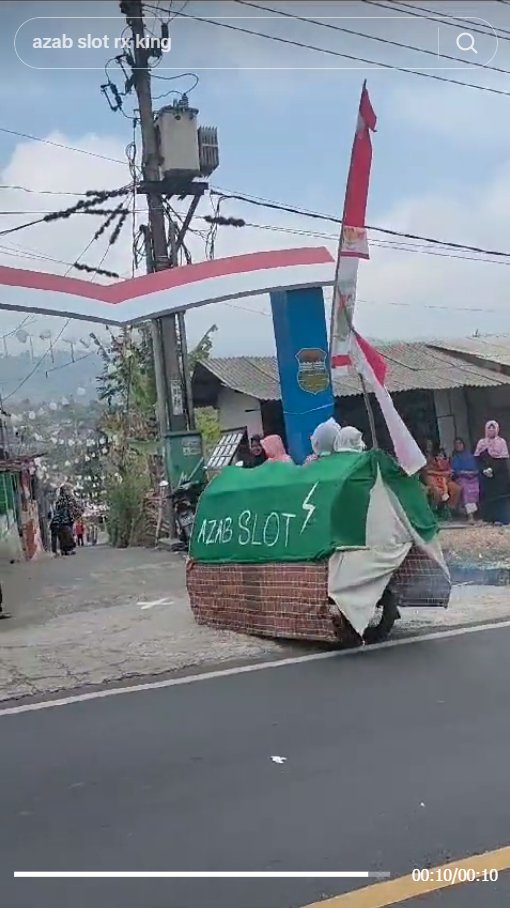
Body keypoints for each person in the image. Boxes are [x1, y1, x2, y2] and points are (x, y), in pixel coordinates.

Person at [474, 420, 510, 524]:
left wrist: (492, 469)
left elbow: (503, 460)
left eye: (493, 428)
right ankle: (488, 518)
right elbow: (477, 459)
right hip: (485, 476)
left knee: (500, 498)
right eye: (489, 428)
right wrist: (483, 469)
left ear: (497, 429)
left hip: (499, 476)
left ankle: (502, 518)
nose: (491, 430)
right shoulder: (481, 443)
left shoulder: (501, 442)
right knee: (486, 497)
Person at [423, 440, 461, 510]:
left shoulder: (441, 458)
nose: (429, 447)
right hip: (432, 478)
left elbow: (450, 470)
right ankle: (435, 510)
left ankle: (449, 509)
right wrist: (441, 473)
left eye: (430, 445)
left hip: (444, 479)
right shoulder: (425, 457)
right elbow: (426, 471)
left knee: (456, 489)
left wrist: (447, 473)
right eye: (428, 445)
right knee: (438, 491)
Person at [451, 437, 479, 523]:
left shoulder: (470, 455)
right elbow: (455, 471)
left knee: (478, 488)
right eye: (456, 444)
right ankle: (471, 516)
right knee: (467, 490)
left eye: (460, 443)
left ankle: (479, 514)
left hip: (473, 477)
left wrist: (472, 473)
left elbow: (476, 469)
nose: (458, 445)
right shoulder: (455, 457)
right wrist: (464, 473)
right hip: (461, 478)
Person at [52, 485, 81, 555]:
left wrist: (76, 514)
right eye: (65, 490)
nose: (67, 491)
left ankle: (67, 550)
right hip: (61, 520)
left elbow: (77, 507)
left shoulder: (70, 498)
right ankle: (65, 550)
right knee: (65, 535)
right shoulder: (61, 499)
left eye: (67, 490)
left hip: (68, 519)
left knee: (68, 535)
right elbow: (58, 509)